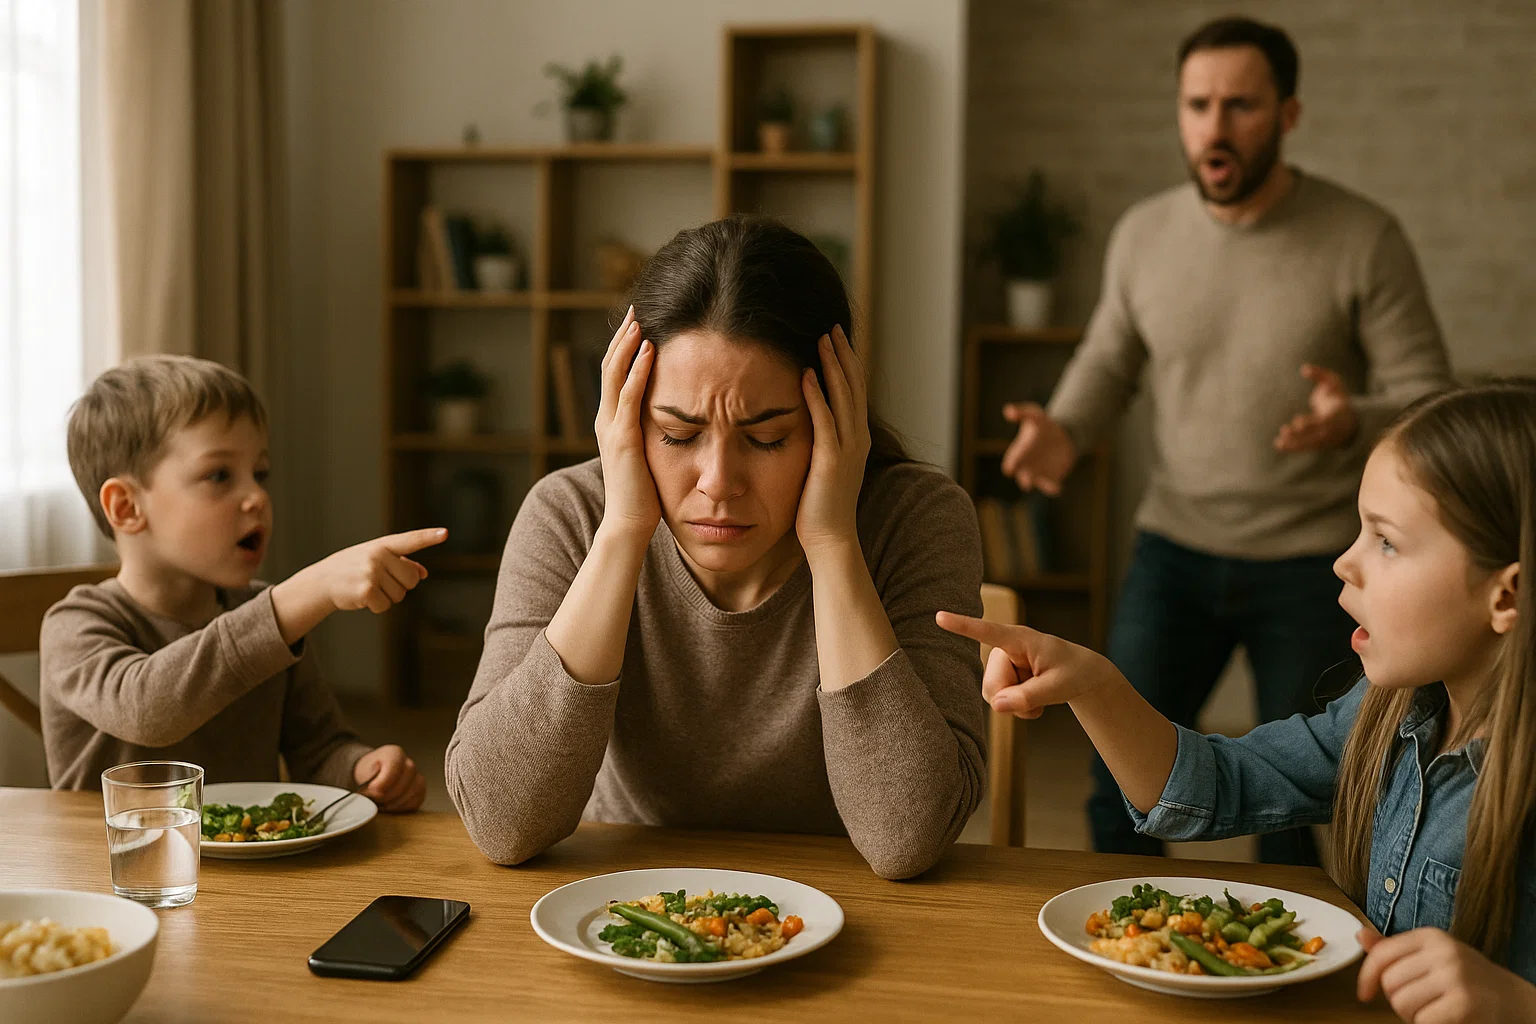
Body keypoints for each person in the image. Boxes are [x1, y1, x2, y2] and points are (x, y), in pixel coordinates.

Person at [998, 16, 1454, 863]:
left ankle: (1278, 977)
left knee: (1291, 808)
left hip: (1310, 562)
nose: (1214, 125)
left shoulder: (1364, 237)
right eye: (1197, 104)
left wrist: (1354, 416)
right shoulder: (1143, 235)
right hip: (1174, 547)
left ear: (1287, 115)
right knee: (1117, 776)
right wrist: (1063, 429)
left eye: (1239, 105)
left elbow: (1432, 399)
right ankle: (1125, 950)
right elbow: (1110, 359)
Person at [941, 381, 1536, 1019]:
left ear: (1506, 596)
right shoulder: (1384, 714)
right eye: (1358, 531)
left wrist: (1516, 1001)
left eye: (1386, 541)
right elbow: (1220, 783)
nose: (1344, 562)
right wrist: (1092, 684)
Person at [446, 216, 986, 879]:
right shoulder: (570, 514)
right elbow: (502, 824)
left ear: (834, 417)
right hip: (629, 909)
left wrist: (833, 542)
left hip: (849, 918)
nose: (719, 484)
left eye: (767, 438)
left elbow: (908, 837)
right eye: (677, 434)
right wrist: (620, 536)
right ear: (628, 417)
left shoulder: (917, 519)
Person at [42, 354, 432, 811]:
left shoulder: (268, 616)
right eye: (220, 475)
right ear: (127, 507)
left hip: (248, 875)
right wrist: (303, 594)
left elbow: (319, 749)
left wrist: (361, 770)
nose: (257, 497)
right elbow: (147, 708)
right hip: (109, 875)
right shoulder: (75, 625)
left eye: (259, 473)